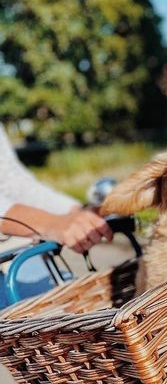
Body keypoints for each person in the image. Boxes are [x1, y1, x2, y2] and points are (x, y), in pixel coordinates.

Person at [0, 126, 112, 305]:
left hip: (17, 264)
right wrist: (49, 224)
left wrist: (75, 212)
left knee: (76, 308)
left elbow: (12, 182)